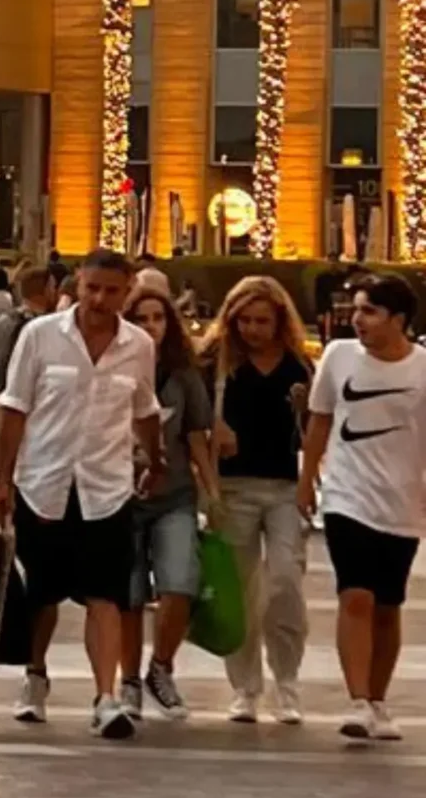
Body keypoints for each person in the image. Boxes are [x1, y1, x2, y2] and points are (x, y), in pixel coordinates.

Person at [0, 249, 164, 740]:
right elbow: (13, 409)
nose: (100, 299)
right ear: (76, 286)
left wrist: (155, 458)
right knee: (43, 591)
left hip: (106, 488)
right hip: (44, 483)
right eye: (92, 288)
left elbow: (144, 408)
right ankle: (35, 677)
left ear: (127, 290)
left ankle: (104, 697)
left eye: (111, 290)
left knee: (105, 594)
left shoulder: (138, 346)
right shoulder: (40, 336)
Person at [297, 272, 426, 743]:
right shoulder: (339, 357)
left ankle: (377, 699)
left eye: (369, 311)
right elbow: (321, 418)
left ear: (399, 319)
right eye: (356, 310)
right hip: (347, 495)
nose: (359, 320)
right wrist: (308, 477)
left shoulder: (422, 369)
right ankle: (355, 701)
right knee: (356, 595)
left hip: (402, 502)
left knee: (388, 606)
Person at [204, 276, 313, 724]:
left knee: (286, 582)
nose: (252, 329)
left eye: (262, 321)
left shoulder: (300, 367)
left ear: (280, 321)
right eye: (244, 320)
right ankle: (245, 688)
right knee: (241, 593)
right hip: (234, 487)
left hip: (286, 487)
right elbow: (191, 417)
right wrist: (215, 431)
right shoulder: (216, 364)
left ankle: (286, 682)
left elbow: (319, 425)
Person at [119, 288, 218, 722]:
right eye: (141, 318)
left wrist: (211, 489)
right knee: (129, 594)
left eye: (158, 318)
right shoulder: (114, 367)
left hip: (174, 494)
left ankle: (161, 666)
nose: (151, 327)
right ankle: (128, 681)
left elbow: (197, 433)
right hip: (120, 497)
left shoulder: (182, 375)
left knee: (180, 582)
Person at [0, 262, 57, 449]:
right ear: (46, 290)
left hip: (3, 412)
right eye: (53, 287)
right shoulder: (55, 329)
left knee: (1, 471)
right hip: (45, 417)